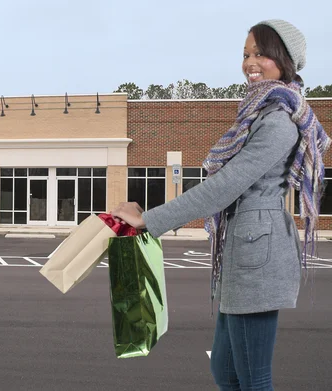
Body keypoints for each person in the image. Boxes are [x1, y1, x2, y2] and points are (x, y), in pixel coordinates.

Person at [112, 20, 330, 390]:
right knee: (225, 372)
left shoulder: (278, 121)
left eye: (261, 53)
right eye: (246, 54)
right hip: (243, 250)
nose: (250, 62)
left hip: (257, 254)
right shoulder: (257, 114)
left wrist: (149, 219)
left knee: (253, 378)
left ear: (286, 60)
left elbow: (224, 186)